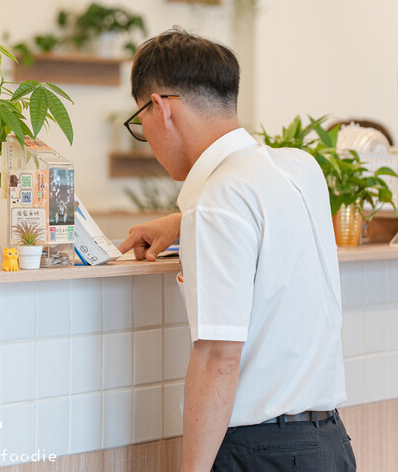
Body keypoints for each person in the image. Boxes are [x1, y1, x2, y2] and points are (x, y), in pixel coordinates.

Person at [118, 29, 355, 471]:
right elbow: (265, 218)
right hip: (328, 444)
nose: (145, 136)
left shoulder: (218, 201)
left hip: (261, 452)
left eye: (139, 122)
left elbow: (218, 359)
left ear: (161, 108)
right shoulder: (300, 168)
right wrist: (181, 222)